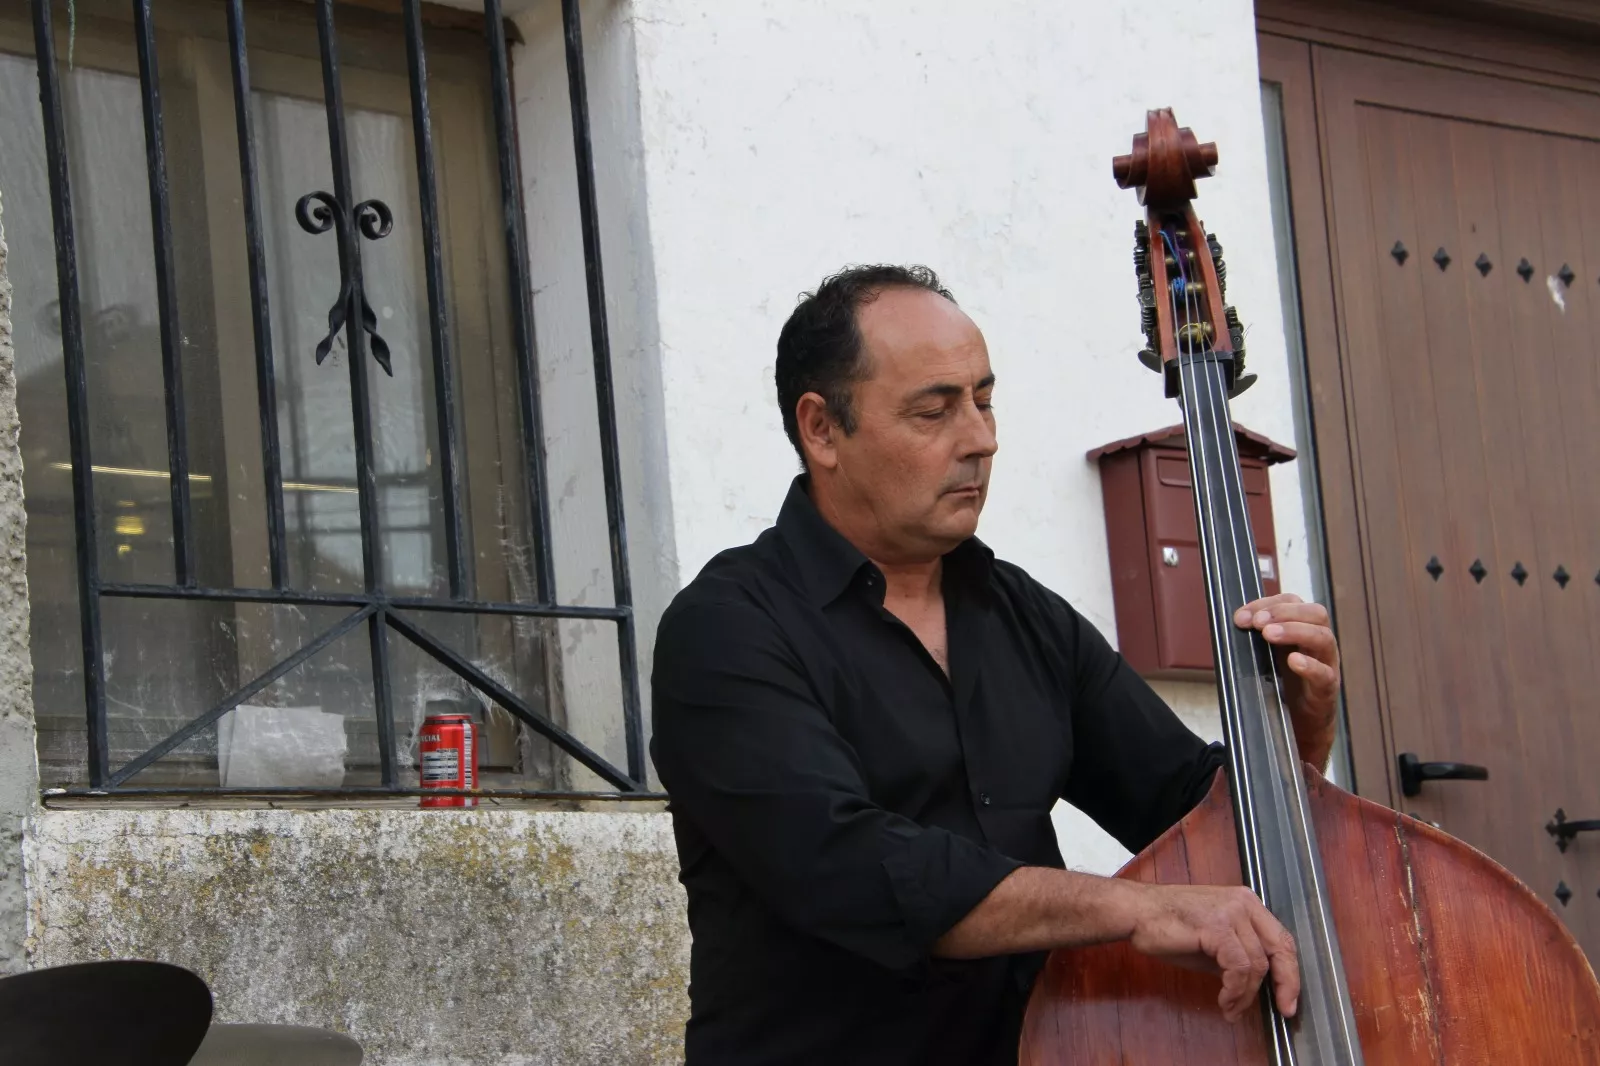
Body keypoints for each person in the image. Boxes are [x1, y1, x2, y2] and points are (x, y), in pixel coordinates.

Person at [650, 265, 1342, 1066]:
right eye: (935, 410)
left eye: (983, 399)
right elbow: (852, 868)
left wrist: (1298, 728)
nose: (980, 438)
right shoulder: (727, 629)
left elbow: (1196, 820)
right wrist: (1133, 910)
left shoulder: (1024, 616)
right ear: (822, 430)